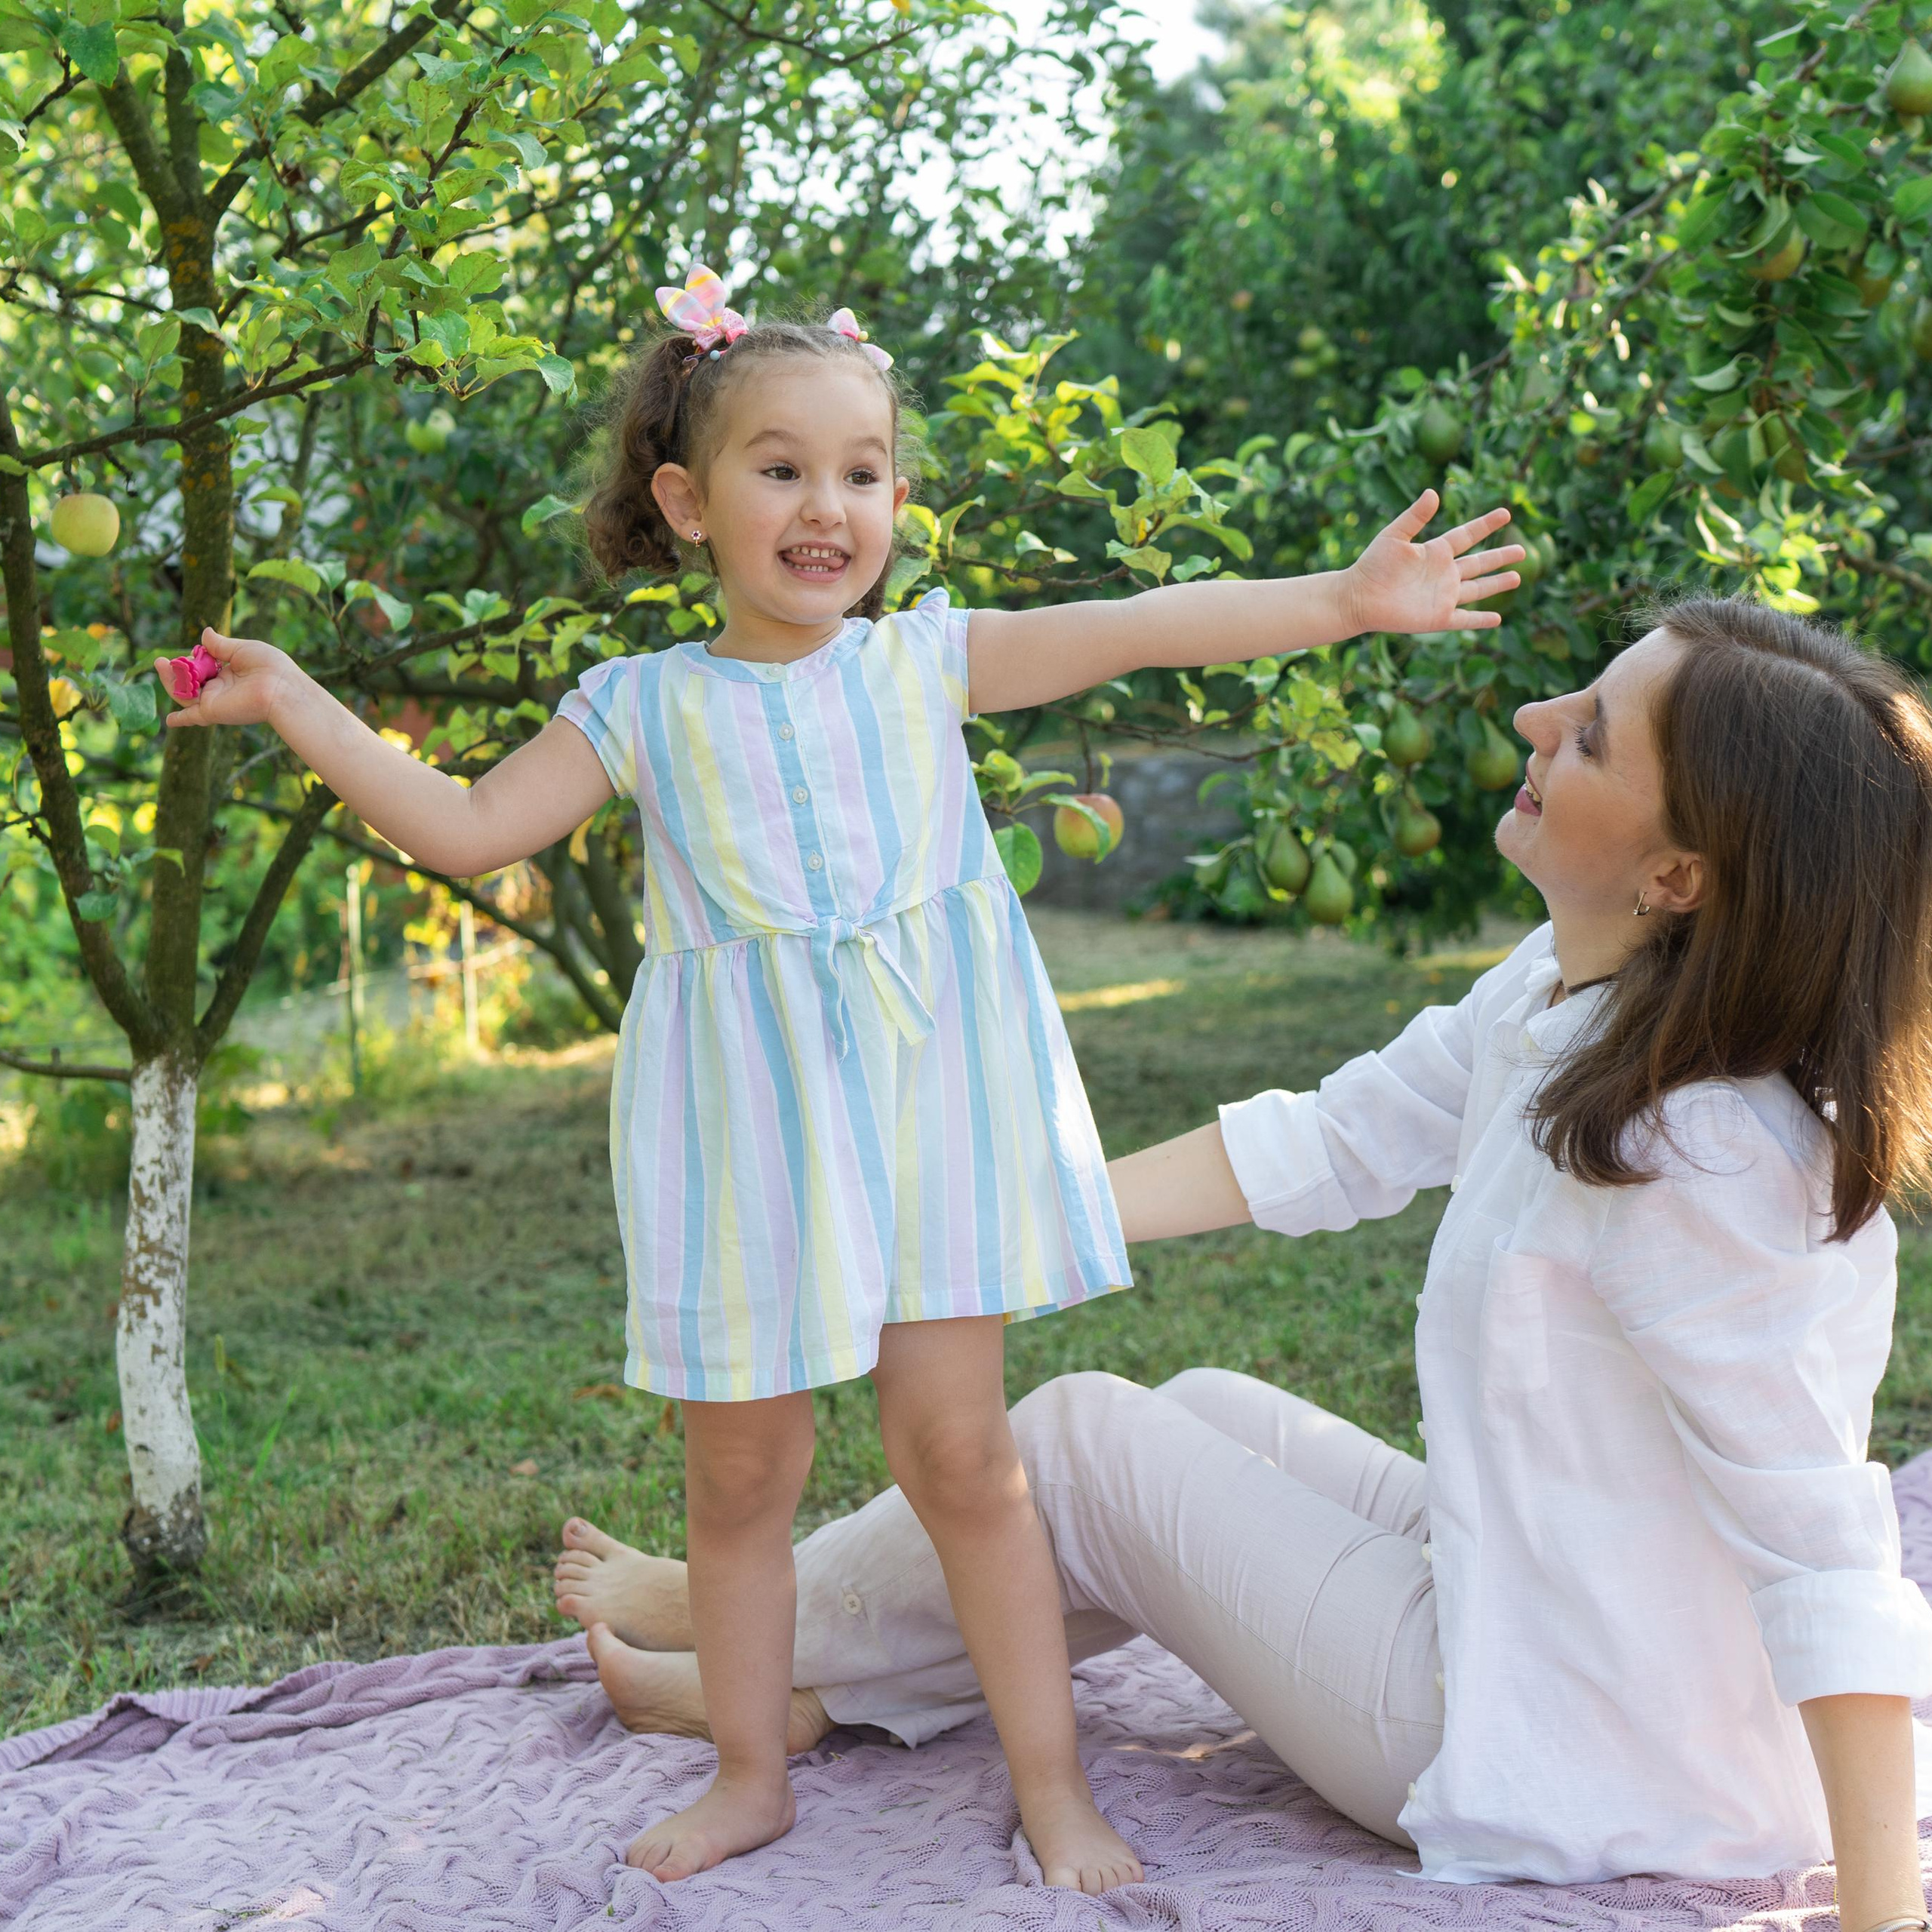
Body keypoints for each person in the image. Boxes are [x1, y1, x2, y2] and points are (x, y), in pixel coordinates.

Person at [161, 262, 1522, 1890]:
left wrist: (1340, 600)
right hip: (742, 1139)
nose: (828, 506)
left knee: (962, 1454)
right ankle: (750, 1767)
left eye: (862, 472)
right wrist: (297, 697)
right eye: (779, 467)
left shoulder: (922, 662)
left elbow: (1143, 625)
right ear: (684, 499)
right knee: (742, 1470)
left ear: (897, 497)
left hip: (930, 1115)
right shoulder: (639, 708)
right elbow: (461, 825)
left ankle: (1051, 1782)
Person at [555, 599, 1932, 1925]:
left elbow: (1824, 1553)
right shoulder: (1573, 991)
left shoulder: (1714, 1161)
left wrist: (1883, 1915)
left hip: (1573, 1756)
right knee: (1208, 1404)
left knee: (1086, 1445)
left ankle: (744, 1631)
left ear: (1676, 876)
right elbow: (1338, 1137)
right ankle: (805, 1678)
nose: (1535, 712)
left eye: (1589, 734)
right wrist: (1002, 1218)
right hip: (1537, 1613)